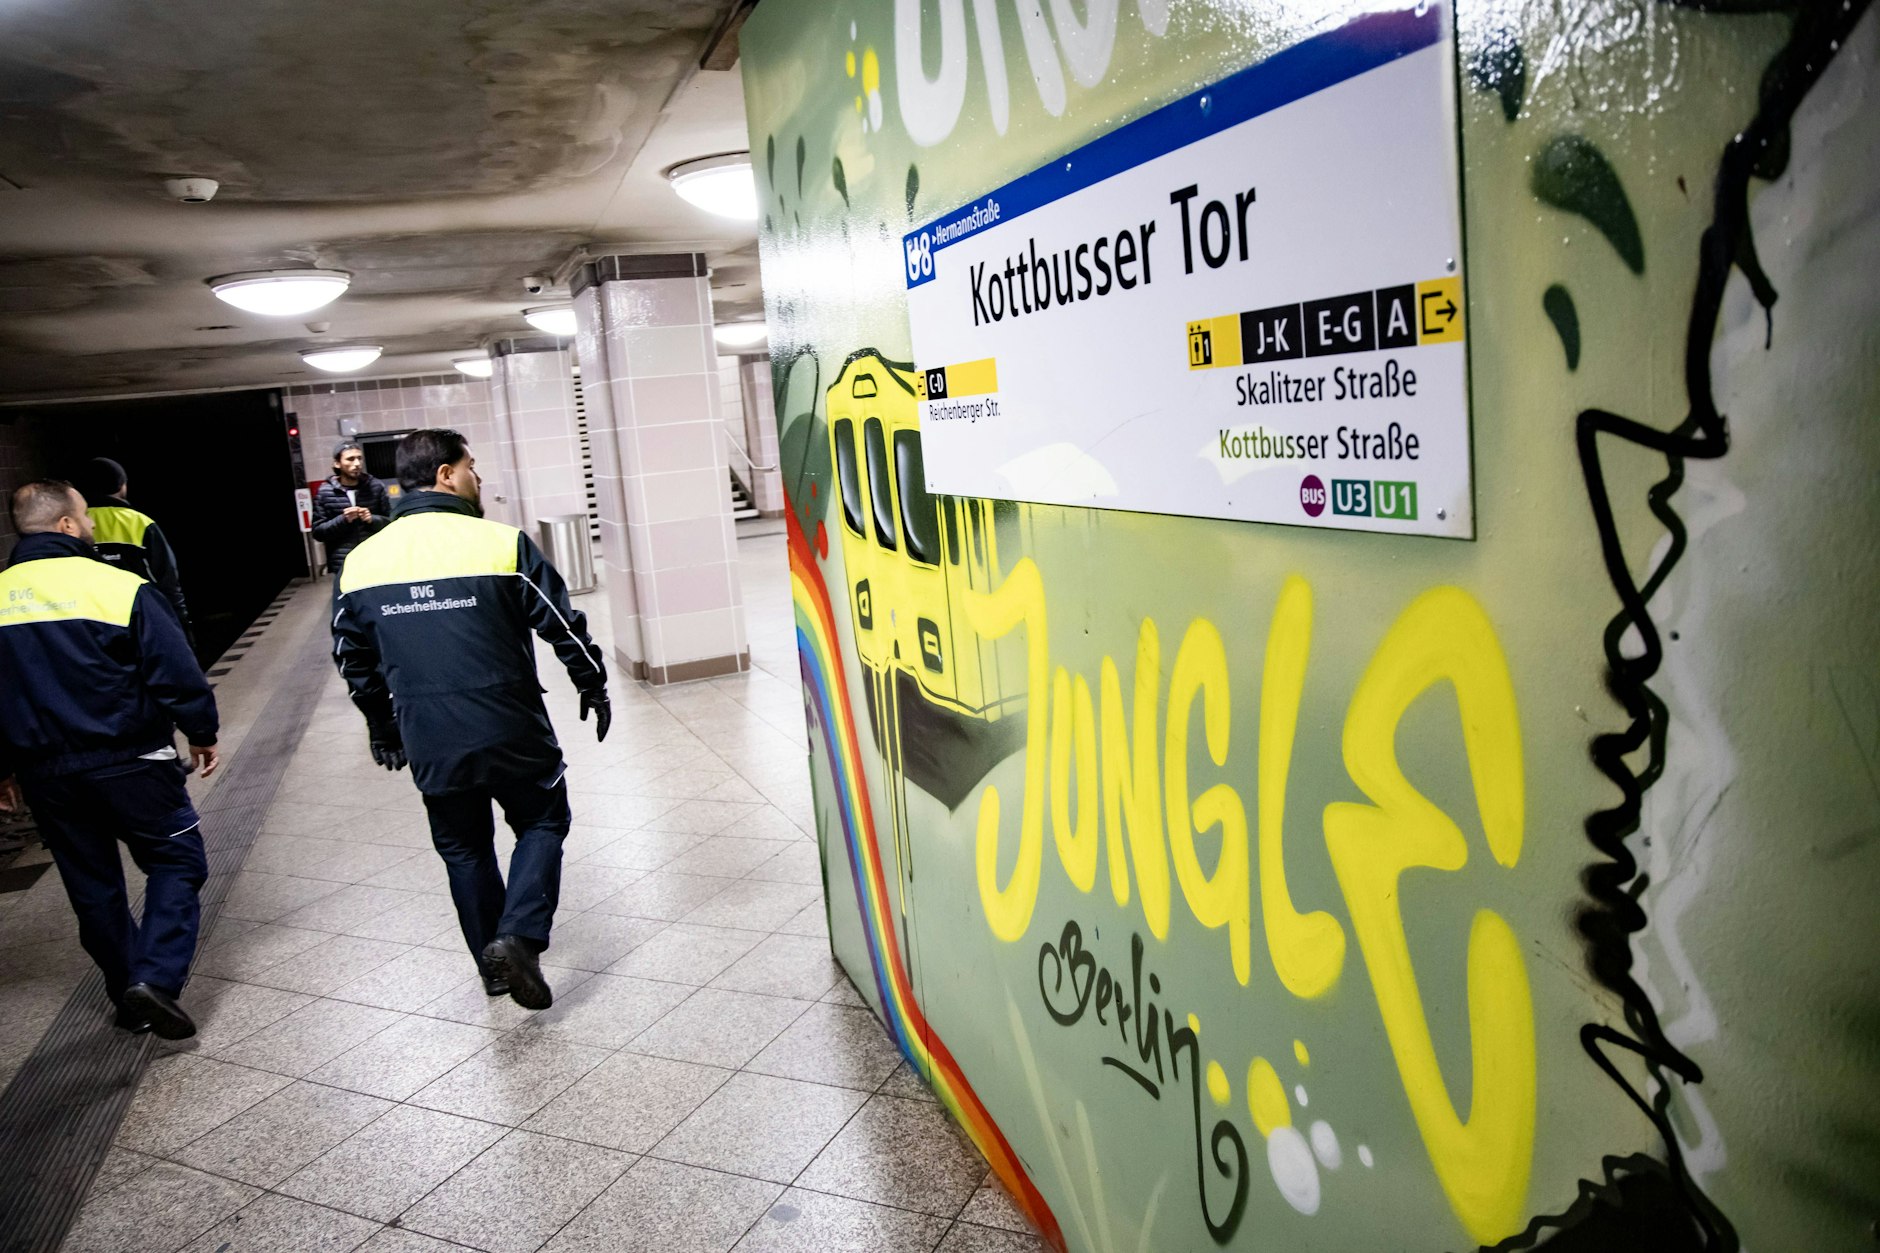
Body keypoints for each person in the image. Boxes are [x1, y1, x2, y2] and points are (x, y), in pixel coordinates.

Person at [331, 429, 609, 1010]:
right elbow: (560, 620)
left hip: (428, 734)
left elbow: (350, 658)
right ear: (445, 475)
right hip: (510, 724)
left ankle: (495, 968)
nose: (477, 478)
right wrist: (593, 681)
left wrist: (382, 725)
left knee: (464, 849)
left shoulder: (361, 562)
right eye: (471, 467)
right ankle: (519, 937)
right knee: (541, 821)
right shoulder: (501, 543)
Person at [0, 481, 219, 1040]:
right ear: (68, 525)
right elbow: (173, 666)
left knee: (93, 886)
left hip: (45, 772)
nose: (94, 528)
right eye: (86, 520)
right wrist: (201, 729)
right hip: (131, 761)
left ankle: (128, 996)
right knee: (177, 862)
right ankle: (154, 981)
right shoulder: (119, 587)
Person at [73, 456, 192, 645]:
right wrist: (181, 623)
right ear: (122, 485)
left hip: (94, 627)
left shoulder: (73, 525)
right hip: (144, 623)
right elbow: (167, 580)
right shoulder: (140, 523)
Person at [311, 440, 392, 578]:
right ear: (337, 463)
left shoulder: (376, 487)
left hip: (374, 558)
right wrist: (343, 520)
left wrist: (372, 519)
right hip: (343, 563)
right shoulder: (325, 492)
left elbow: (392, 522)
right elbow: (318, 532)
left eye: (359, 458)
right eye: (350, 459)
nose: (357, 464)